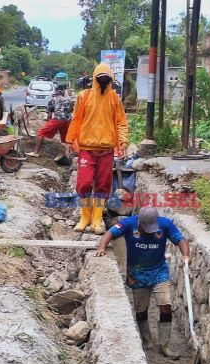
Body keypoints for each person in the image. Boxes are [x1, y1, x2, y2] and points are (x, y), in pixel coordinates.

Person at [95, 207, 191, 358]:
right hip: (137, 273)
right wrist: (102, 247)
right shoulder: (128, 224)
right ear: (139, 222)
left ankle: (164, 345)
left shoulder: (165, 224)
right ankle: (147, 341)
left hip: (159, 271)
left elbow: (180, 239)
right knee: (141, 309)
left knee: (165, 306)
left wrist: (186, 255)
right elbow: (110, 233)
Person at [66, 63, 129, 235]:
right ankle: (85, 216)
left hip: (107, 149)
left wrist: (123, 142)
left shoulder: (115, 99)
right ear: (95, 78)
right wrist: (71, 140)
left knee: (102, 186)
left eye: (106, 78)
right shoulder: (84, 96)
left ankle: (97, 218)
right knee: (84, 183)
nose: (103, 81)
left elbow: (121, 122)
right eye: (100, 77)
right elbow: (76, 119)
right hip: (87, 148)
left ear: (110, 80)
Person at [26, 85, 73, 159]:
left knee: (41, 133)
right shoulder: (69, 100)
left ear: (56, 92)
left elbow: (49, 115)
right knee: (65, 138)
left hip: (58, 119)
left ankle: (36, 152)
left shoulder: (53, 100)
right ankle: (67, 155)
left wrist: (48, 123)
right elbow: (71, 111)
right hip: (68, 120)